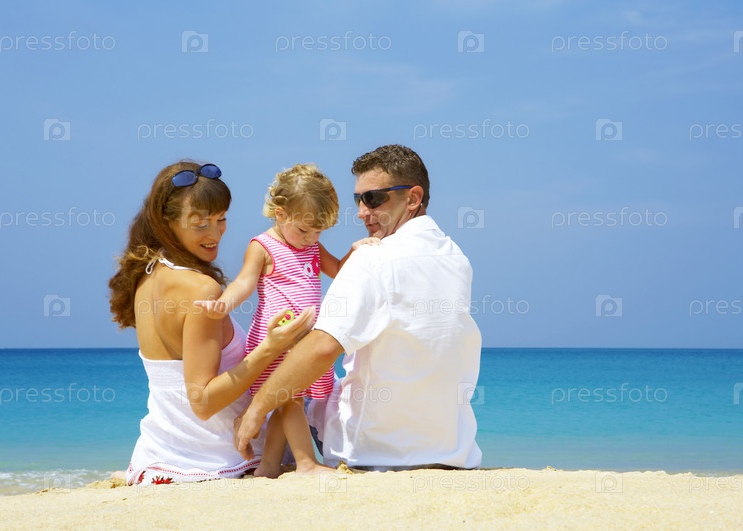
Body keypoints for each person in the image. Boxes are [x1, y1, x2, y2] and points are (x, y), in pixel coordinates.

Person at [234, 145, 483, 471]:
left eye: (373, 198)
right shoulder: (457, 258)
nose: (362, 212)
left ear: (412, 198)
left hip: (370, 449)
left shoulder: (374, 258)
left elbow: (323, 347)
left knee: (289, 388)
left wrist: (255, 409)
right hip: (451, 449)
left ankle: (270, 463)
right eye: (358, 200)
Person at [108, 161, 314, 486]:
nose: (215, 233)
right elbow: (202, 402)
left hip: (155, 458)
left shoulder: (147, 276)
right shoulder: (201, 290)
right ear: (166, 222)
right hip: (218, 461)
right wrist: (271, 348)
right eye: (200, 224)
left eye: (221, 219)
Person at [195, 163, 376, 478]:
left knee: (288, 400)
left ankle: (268, 466)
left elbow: (338, 270)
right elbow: (244, 283)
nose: (311, 238)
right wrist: (223, 304)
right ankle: (306, 462)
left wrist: (355, 251)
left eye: (318, 232)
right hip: (277, 339)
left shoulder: (311, 246)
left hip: (304, 342)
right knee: (290, 399)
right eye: (304, 230)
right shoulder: (263, 246)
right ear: (280, 214)